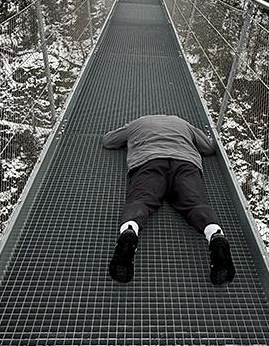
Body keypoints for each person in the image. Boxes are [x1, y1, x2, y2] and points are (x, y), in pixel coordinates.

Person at [100, 114, 234, 285]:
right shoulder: (184, 123)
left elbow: (108, 141)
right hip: (186, 164)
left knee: (141, 201)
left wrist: (130, 135)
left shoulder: (137, 124)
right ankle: (215, 235)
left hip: (149, 161)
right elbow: (208, 148)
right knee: (195, 204)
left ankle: (129, 232)